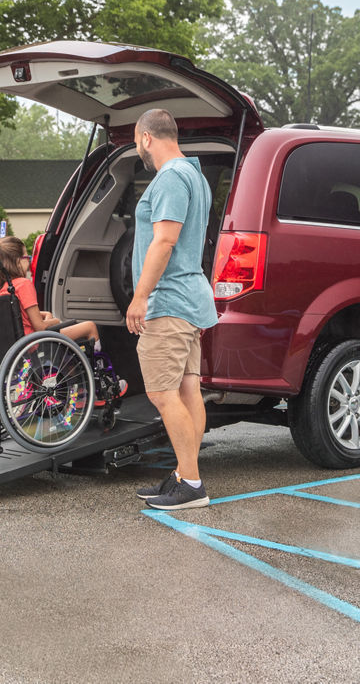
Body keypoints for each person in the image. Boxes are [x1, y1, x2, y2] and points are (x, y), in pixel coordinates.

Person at [125, 108, 217, 510]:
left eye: (136, 142)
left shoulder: (170, 178)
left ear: (147, 137)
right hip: (190, 299)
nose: (138, 149)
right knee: (187, 390)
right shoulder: (195, 175)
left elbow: (164, 241)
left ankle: (192, 484)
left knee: (162, 393)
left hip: (169, 301)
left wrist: (140, 296)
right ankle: (184, 474)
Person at [0, 235, 126, 398]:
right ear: (16, 261)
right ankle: (99, 380)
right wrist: (56, 320)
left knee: (51, 319)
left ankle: (73, 376)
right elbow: (40, 327)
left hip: (11, 344)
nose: (29, 261)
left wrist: (46, 315)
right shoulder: (23, 284)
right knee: (89, 327)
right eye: (26, 257)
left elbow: (17, 315)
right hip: (32, 343)